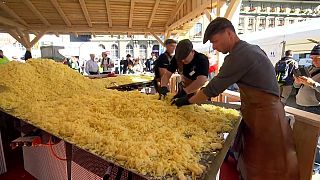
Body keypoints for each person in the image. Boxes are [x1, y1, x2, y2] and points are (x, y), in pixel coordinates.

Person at [172, 17, 299, 179]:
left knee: (269, 168)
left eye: (215, 41)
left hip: (267, 119)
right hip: (260, 115)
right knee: (255, 165)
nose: (214, 47)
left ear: (228, 33)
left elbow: (212, 88)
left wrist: (186, 101)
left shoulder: (240, 55)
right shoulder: (251, 49)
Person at [293, 44, 320, 114]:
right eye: (312, 58)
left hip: (314, 107)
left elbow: (311, 84)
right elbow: (296, 86)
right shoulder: (309, 68)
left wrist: (312, 83)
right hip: (299, 104)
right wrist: (297, 82)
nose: (314, 61)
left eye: (318, 58)